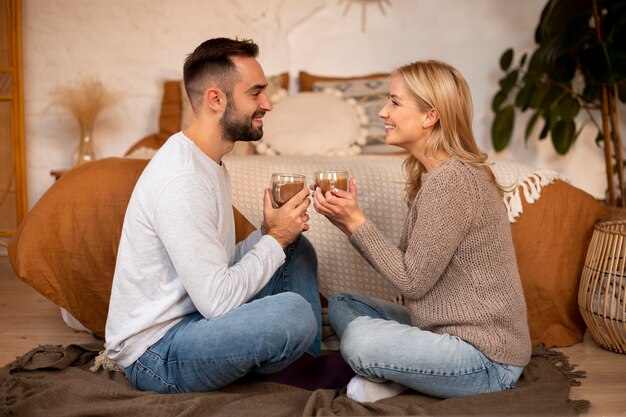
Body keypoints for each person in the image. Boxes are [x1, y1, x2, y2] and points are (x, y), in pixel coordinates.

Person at [104, 37, 322, 393]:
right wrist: (273, 238)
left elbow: (213, 270)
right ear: (216, 99)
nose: (267, 104)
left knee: (296, 248)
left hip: (195, 316)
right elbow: (218, 301)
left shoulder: (209, 162)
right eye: (255, 93)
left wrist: (270, 233)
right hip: (157, 352)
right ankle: (296, 369)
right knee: (293, 313)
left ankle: (303, 368)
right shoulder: (182, 179)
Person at [312, 60, 531, 402]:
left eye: (395, 103)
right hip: (440, 328)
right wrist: (347, 223)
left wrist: (357, 222)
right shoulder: (434, 176)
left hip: (486, 358)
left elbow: (411, 282)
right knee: (344, 304)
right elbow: (404, 267)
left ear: (430, 116)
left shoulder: (451, 183)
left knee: (359, 341)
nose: (383, 112)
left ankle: (399, 369)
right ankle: (407, 370)